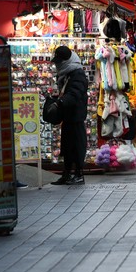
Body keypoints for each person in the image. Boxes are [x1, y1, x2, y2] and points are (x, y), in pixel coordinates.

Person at [49, 45, 89, 185]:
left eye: (59, 61)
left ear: (65, 61)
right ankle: (67, 173)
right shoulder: (66, 73)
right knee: (67, 146)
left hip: (76, 117)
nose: (57, 64)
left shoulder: (77, 74)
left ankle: (78, 174)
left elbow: (74, 94)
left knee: (77, 146)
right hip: (68, 116)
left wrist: (60, 102)